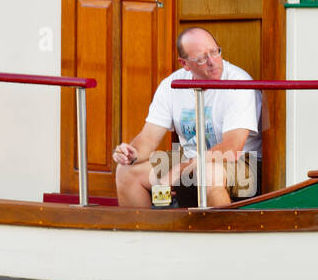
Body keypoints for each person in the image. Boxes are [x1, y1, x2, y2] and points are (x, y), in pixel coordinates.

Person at [112, 28, 261, 208]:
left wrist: (179, 170)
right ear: (185, 64)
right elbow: (149, 137)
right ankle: (144, 233)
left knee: (208, 173)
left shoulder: (239, 82)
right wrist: (131, 153)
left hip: (241, 162)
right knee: (126, 172)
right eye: (201, 58)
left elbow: (232, 148)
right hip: (191, 157)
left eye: (215, 52)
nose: (212, 62)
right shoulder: (171, 85)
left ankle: (223, 234)